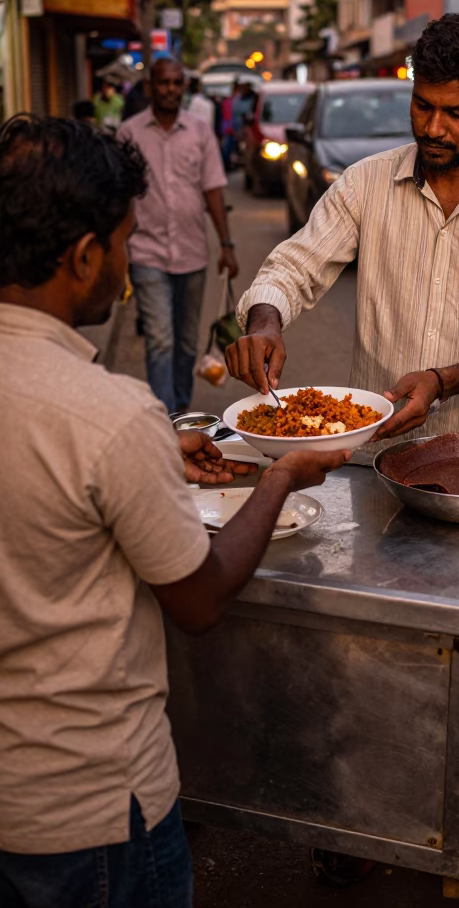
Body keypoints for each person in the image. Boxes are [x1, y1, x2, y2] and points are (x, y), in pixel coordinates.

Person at [0, 114, 345, 906]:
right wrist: (279, 476)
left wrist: (155, 452)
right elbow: (200, 596)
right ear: (84, 255)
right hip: (94, 812)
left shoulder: (117, 425)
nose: (125, 268)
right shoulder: (108, 415)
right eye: (122, 243)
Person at [226, 11, 459, 441]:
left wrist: (443, 382)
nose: (432, 127)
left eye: (456, 113)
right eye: (422, 105)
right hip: (377, 450)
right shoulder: (365, 182)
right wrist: (264, 323)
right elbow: (293, 267)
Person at [118, 58, 239, 414]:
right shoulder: (129, 133)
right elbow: (120, 195)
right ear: (150, 87)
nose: (170, 89)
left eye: (176, 83)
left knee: (186, 342)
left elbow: (214, 189)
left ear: (183, 87)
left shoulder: (200, 131)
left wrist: (227, 244)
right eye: (163, 83)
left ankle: (181, 408)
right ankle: (165, 419)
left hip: (192, 252)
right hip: (146, 252)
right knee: (160, 341)